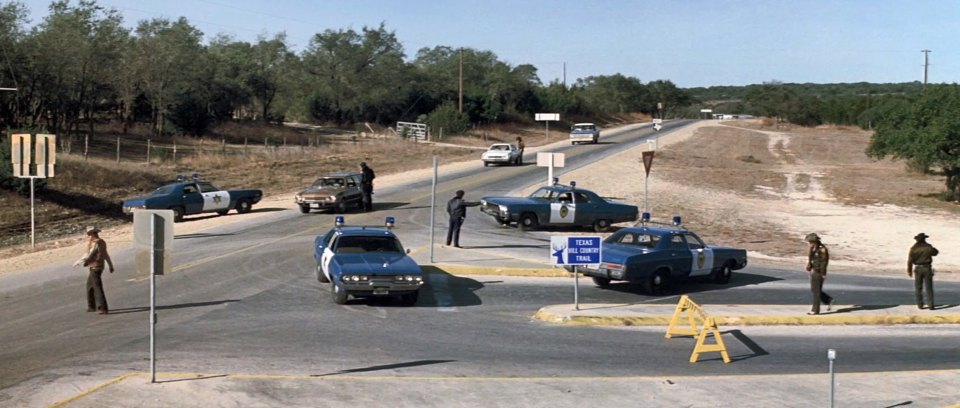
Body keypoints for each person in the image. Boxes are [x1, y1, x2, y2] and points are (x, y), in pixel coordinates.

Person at [72, 226, 114, 314]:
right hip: (97, 266)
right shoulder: (102, 242)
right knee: (90, 286)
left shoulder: (96, 243)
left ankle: (102, 308)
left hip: (96, 267)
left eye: (90, 234)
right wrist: (110, 265)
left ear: (93, 234)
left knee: (97, 287)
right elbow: (106, 254)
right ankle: (91, 306)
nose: (89, 236)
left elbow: (89, 254)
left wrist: (79, 261)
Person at [908, 232, 939, 310]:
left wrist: (909, 270)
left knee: (918, 287)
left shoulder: (913, 248)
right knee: (929, 287)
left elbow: (910, 260)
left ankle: (920, 304)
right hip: (927, 268)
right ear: (924, 239)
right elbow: (935, 253)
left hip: (918, 268)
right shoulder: (928, 247)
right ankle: (931, 305)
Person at [805, 233, 833, 315]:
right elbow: (811, 258)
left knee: (816, 291)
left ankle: (815, 310)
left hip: (819, 272)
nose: (809, 244)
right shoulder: (813, 248)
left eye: (810, 242)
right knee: (814, 289)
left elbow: (824, 262)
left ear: (815, 242)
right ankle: (827, 299)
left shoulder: (822, 249)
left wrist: (823, 273)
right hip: (814, 270)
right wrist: (809, 266)